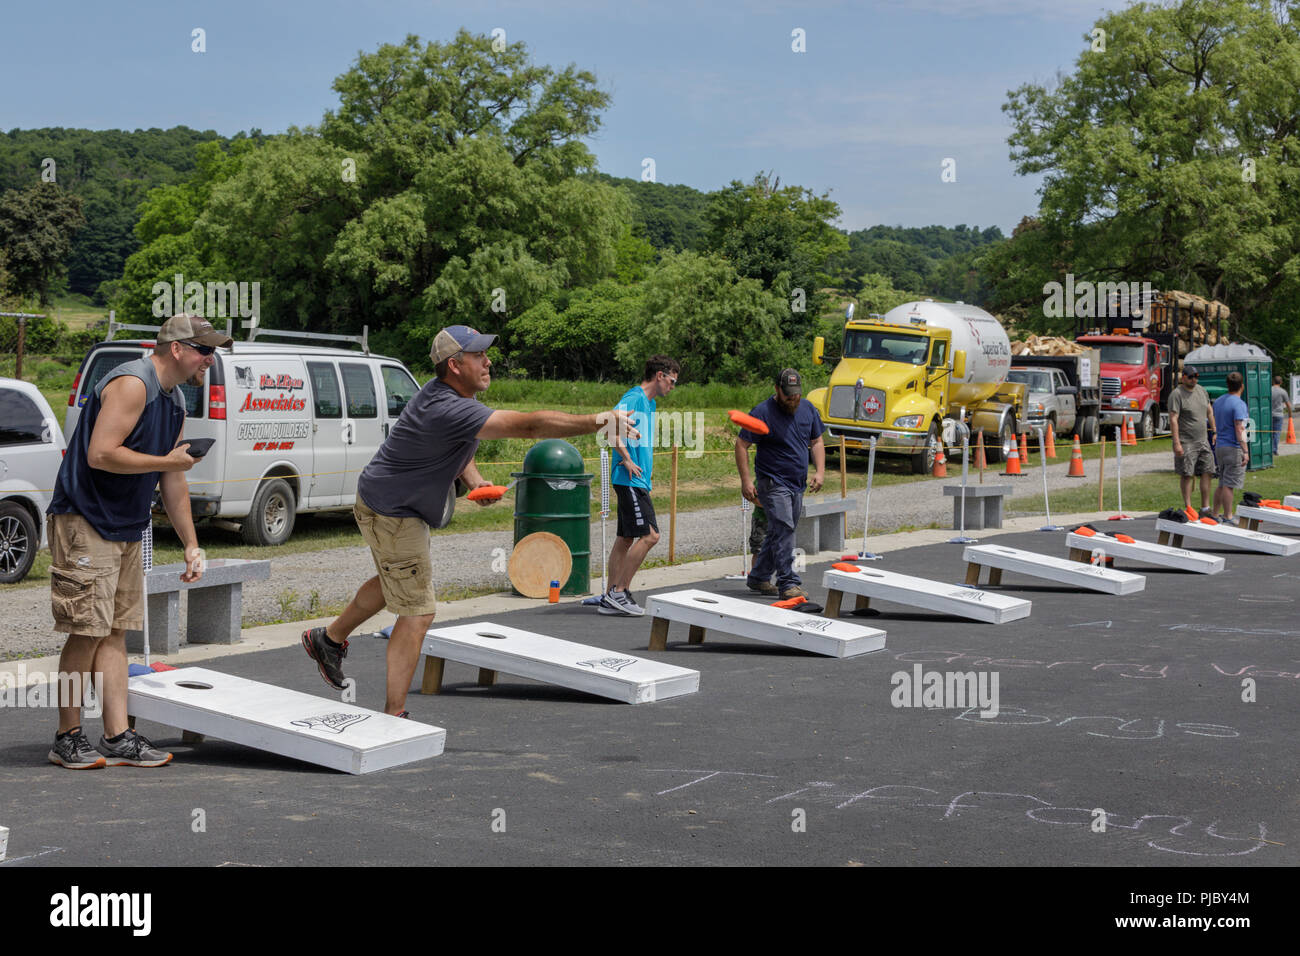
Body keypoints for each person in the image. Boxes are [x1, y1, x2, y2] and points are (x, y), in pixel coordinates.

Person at [302, 325, 637, 715]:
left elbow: (460, 445)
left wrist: (474, 480)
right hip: (393, 513)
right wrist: (598, 421)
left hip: (385, 503)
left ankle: (328, 639)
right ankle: (394, 714)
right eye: (479, 355)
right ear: (454, 365)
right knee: (417, 611)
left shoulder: (448, 396)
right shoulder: (449, 406)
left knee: (396, 582)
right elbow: (529, 426)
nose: (488, 361)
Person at [46, 314, 223, 769]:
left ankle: (117, 735)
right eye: (205, 350)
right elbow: (101, 453)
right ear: (178, 349)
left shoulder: (177, 401)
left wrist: (190, 542)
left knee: (115, 631)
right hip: (85, 518)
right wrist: (166, 460)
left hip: (128, 524)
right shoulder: (133, 384)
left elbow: (173, 474)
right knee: (85, 630)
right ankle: (66, 737)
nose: (211, 359)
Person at [734, 368, 825, 600]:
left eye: (796, 394)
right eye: (787, 395)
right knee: (784, 528)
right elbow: (742, 444)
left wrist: (820, 472)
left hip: (797, 483)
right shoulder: (762, 412)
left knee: (779, 531)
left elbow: (816, 441)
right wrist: (746, 480)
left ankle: (759, 577)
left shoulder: (808, 409)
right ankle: (788, 582)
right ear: (777, 389)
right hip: (772, 482)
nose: (792, 399)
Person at [600, 355, 680, 617]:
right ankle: (619, 592)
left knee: (625, 538)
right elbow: (609, 427)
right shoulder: (634, 398)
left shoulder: (651, 404)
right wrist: (626, 459)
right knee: (651, 535)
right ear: (659, 376)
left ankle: (609, 596)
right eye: (672, 381)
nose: (672, 386)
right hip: (629, 478)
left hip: (639, 480)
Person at [1168, 365, 1216, 514]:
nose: (1194, 379)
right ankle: (1188, 507)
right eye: (1191, 377)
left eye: (1196, 376)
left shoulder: (1202, 390)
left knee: (1208, 471)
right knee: (1187, 474)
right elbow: (1173, 419)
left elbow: (1209, 412)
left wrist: (1214, 431)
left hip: (1203, 440)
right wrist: (1177, 443)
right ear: (1183, 378)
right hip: (1186, 441)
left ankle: (1205, 507)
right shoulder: (1176, 394)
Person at [1212, 371, 1250, 521]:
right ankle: (1228, 515)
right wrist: (1245, 451)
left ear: (1227, 385)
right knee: (1229, 484)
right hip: (1233, 447)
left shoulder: (1219, 401)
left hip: (1220, 446)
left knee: (1222, 482)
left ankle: (1215, 513)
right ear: (1242, 386)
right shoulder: (1239, 404)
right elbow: (1239, 427)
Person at [1271, 376, 1292, 455]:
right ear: (1281, 382)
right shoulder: (1283, 391)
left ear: (1273, 382)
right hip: (1279, 414)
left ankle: (1269, 448)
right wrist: (1290, 414)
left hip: (1269, 414)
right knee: (1276, 433)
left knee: (1269, 432)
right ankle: (1274, 450)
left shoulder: (1269, 390)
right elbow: (1288, 404)